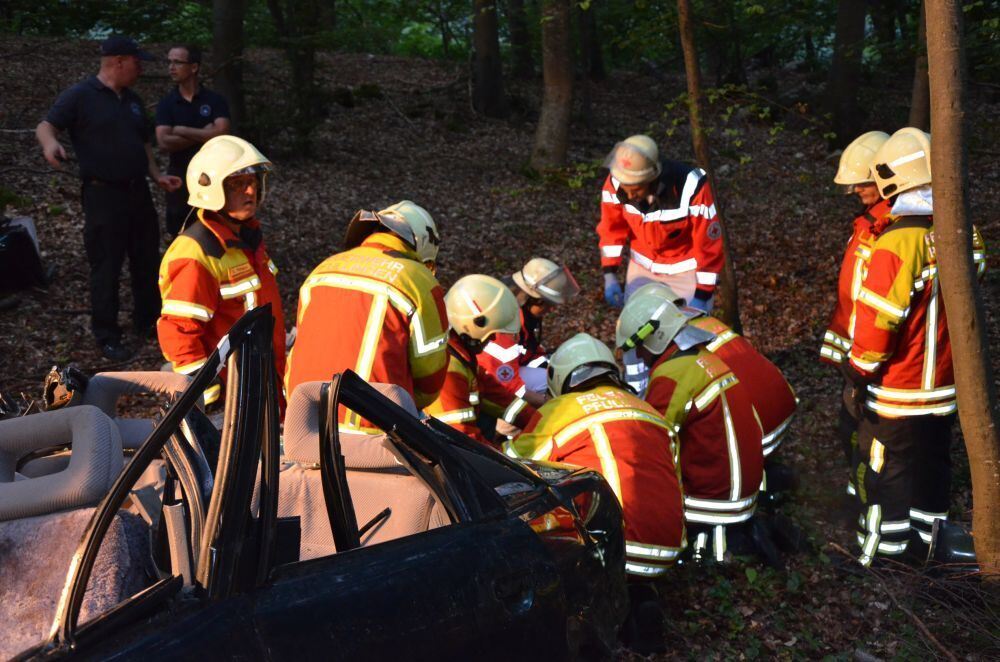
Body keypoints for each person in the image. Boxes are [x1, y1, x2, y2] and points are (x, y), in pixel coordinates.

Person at [846, 128, 986, 566]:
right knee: (933, 474)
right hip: (944, 390)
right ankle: (929, 554)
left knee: (887, 473)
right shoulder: (966, 233)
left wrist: (857, 373)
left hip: (897, 392)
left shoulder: (896, 244)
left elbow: (875, 329)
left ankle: (882, 561)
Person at [505, 332, 685, 654]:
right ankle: (640, 597)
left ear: (561, 378)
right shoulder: (648, 411)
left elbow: (513, 469)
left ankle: (595, 624)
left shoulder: (559, 410)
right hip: (668, 547)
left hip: (610, 550)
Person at [35, 35, 182, 361]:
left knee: (146, 261)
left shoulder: (132, 100)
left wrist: (156, 176)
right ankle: (107, 334)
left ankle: (147, 323)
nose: (140, 68)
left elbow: (143, 143)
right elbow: (46, 126)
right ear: (118, 61)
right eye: (136, 62)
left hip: (138, 193)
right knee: (107, 265)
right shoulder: (80, 96)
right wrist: (49, 145)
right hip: (103, 195)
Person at [616, 283, 763, 563]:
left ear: (656, 337)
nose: (642, 358)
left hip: (714, 499)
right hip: (744, 490)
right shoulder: (705, 359)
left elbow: (652, 443)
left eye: (640, 348)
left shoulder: (672, 374)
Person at [285, 201, 449, 430]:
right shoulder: (419, 279)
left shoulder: (321, 270)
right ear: (424, 245)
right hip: (374, 430)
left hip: (304, 423)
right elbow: (430, 378)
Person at [156, 136, 284, 406]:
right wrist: (208, 394)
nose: (250, 192)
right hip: (230, 399)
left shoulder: (248, 240)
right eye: (238, 185)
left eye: (253, 182)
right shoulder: (197, 253)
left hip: (259, 384)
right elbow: (179, 332)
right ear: (211, 189)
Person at [598, 135, 723, 395]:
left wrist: (702, 295)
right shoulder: (616, 182)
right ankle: (638, 392)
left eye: (637, 188)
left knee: (687, 337)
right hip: (642, 268)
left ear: (654, 177)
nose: (629, 193)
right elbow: (611, 229)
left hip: (685, 268)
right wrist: (610, 273)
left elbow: (708, 245)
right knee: (632, 334)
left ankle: (686, 393)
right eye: (626, 186)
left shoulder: (690, 185)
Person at [819, 130, 892, 501]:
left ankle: (866, 506)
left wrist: (863, 361)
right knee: (850, 428)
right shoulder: (868, 224)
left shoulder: (890, 230)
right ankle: (856, 499)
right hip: (857, 356)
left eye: (862, 183)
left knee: (868, 441)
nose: (857, 192)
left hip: (872, 361)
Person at [425, 275, 535, 444]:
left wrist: (539, 422)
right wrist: (506, 460)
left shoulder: (460, 355)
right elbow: (460, 439)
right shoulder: (448, 370)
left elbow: (495, 395)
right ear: (471, 325)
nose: (491, 340)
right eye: (490, 335)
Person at [478, 257, 580, 423]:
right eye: (547, 304)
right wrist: (550, 404)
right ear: (533, 299)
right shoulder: (505, 326)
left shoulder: (520, 316)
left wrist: (556, 367)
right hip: (489, 386)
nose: (551, 309)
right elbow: (510, 386)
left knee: (556, 378)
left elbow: (529, 352)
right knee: (545, 398)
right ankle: (504, 428)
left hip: (506, 375)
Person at [155, 44, 231, 236]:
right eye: (169, 62)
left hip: (212, 175)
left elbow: (221, 133)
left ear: (194, 67)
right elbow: (163, 141)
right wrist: (204, 133)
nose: (171, 67)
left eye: (177, 62)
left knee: (215, 229)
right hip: (179, 175)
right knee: (180, 232)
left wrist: (182, 130)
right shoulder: (167, 104)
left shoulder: (214, 100)